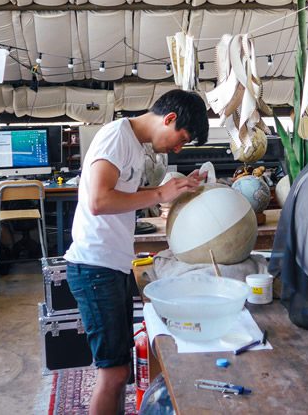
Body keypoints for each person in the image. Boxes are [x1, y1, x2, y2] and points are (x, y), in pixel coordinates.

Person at [64, 89, 209, 415]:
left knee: (120, 372)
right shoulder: (117, 136)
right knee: (112, 373)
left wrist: (178, 187)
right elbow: (99, 201)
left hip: (109, 265)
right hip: (93, 267)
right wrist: (159, 192)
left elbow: (122, 193)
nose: (177, 147)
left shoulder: (131, 142)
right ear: (169, 118)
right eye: (180, 138)